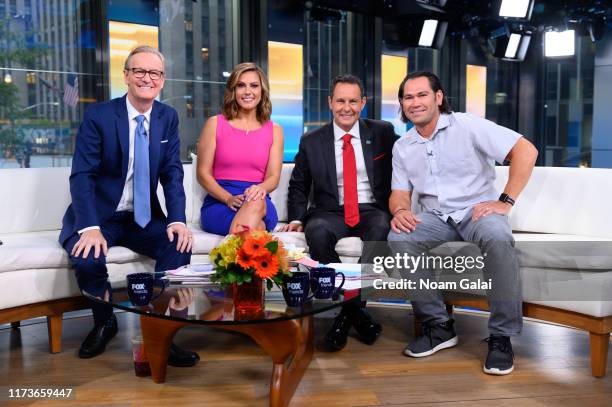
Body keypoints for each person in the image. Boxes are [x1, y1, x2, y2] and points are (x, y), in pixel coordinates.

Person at [388, 71, 538, 375]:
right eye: (408, 97)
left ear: (438, 97)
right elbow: (399, 194)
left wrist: (504, 201)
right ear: (402, 104)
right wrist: (401, 210)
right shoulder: (403, 146)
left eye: (422, 95)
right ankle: (438, 326)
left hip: (476, 211)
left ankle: (501, 336)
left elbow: (526, 150)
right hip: (436, 216)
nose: (415, 102)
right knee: (398, 238)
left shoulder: (467, 126)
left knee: (496, 236)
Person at [58, 46, 199, 367]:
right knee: (87, 255)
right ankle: (104, 322)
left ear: (162, 80)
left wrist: (177, 219)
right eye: (139, 71)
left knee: (179, 244)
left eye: (155, 73)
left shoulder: (167, 117)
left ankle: (159, 328)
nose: (147, 78)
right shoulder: (99, 116)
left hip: (142, 217)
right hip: (100, 215)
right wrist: (90, 227)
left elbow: (172, 174)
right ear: (126, 76)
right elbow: (82, 175)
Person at [280, 74, 398, 351]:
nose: (347, 107)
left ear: (363, 103)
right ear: (330, 102)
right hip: (330, 209)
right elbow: (299, 184)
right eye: (341, 100)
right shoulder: (312, 140)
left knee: (381, 228)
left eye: (353, 101)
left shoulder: (382, 132)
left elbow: (405, 163)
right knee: (317, 231)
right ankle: (357, 313)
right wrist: (297, 218)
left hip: (371, 209)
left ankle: (346, 314)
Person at [197, 62, 283, 235]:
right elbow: (203, 174)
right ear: (233, 91)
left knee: (256, 202)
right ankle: (246, 257)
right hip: (220, 203)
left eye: (254, 85)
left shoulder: (275, 130)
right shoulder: (214, 124)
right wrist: (227, 198)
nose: (247, 91)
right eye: (241, 85)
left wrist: (260, 189)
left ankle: (228, 258)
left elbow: (273, 177)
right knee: (256, 230)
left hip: (260, 201)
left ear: (262, 90)